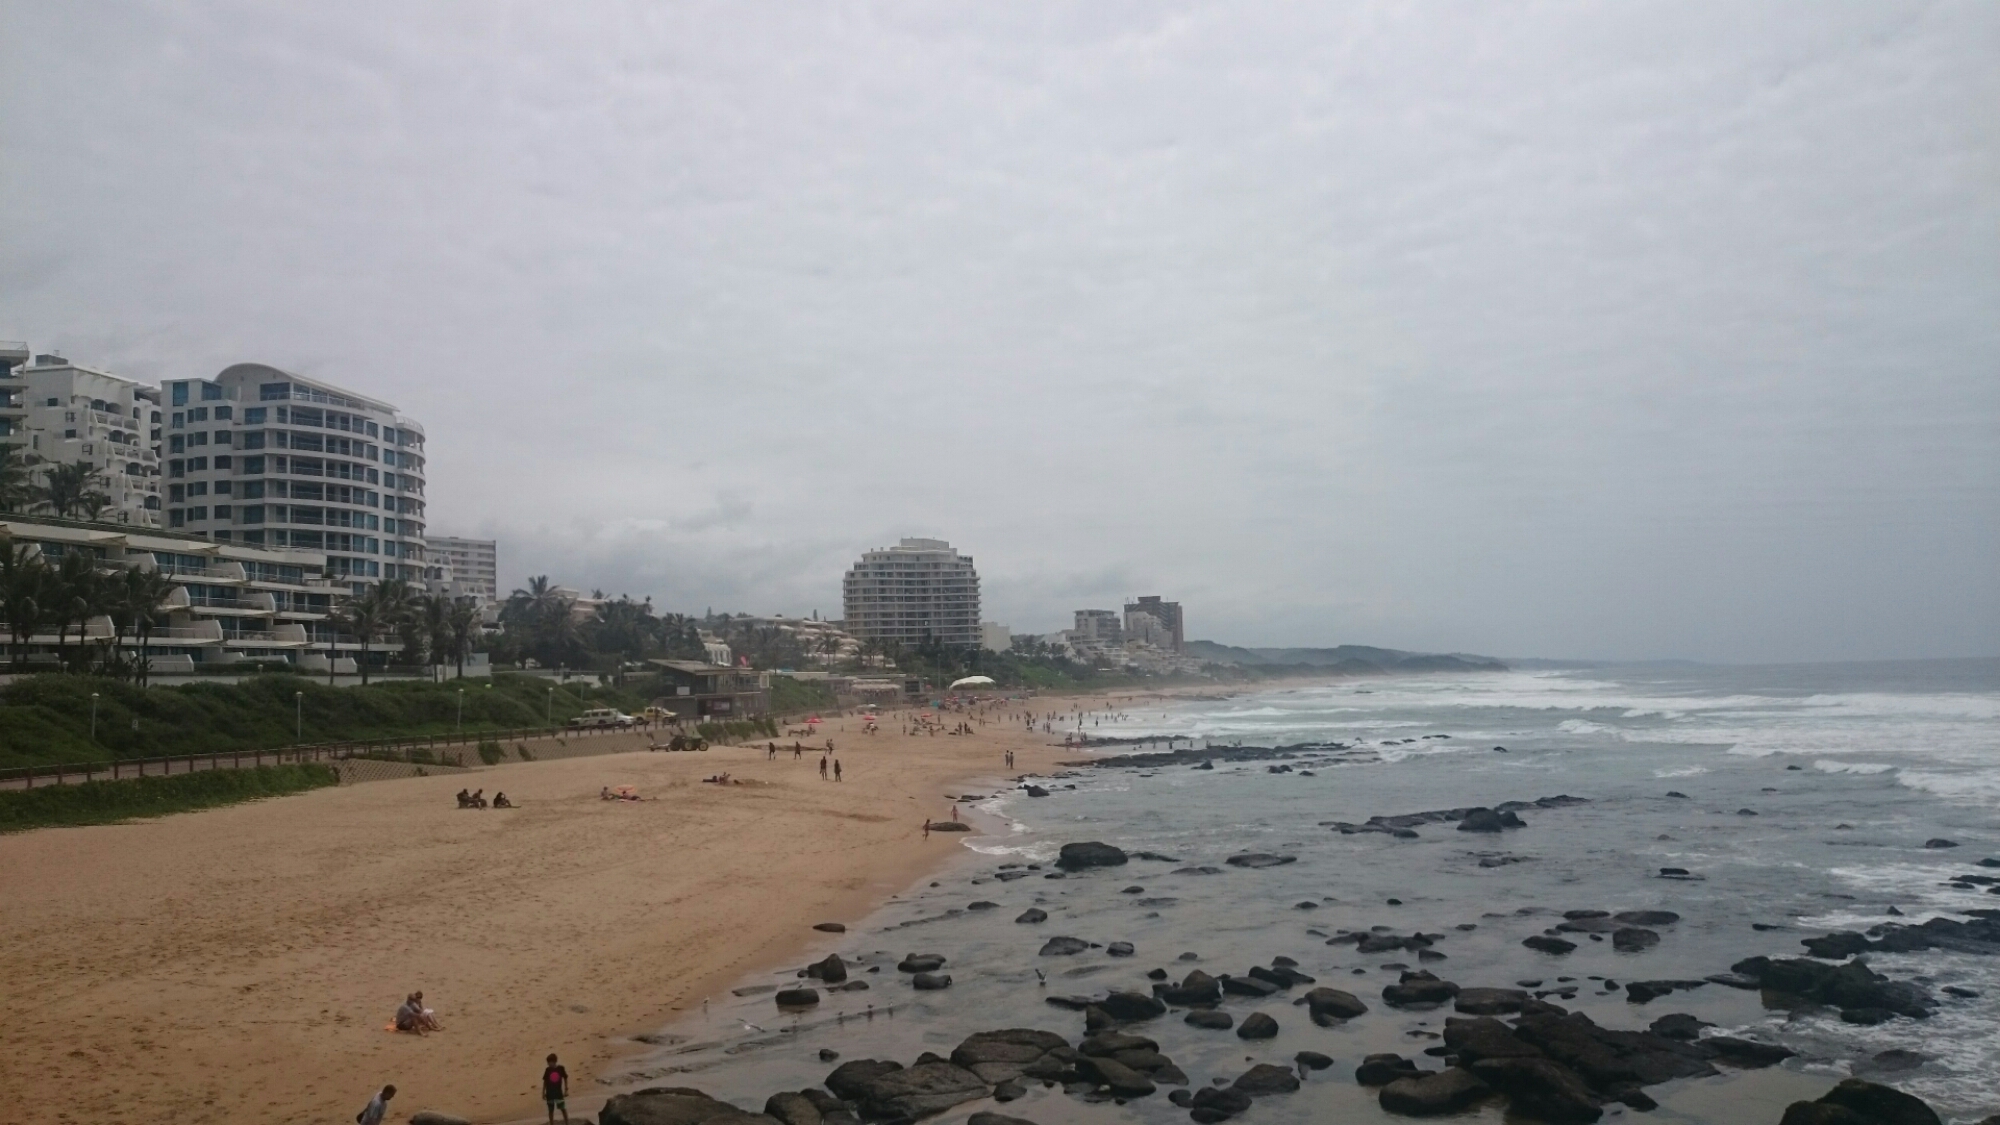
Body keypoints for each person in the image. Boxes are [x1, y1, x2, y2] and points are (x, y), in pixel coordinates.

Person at [542, 1053, 570, 1124]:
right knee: (551, 1110)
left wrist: (566, 1089)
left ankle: (567, 1123)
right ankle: (551, 1123)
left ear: (554, 1061)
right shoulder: (547, 1070)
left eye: (549, 1062)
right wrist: (543, 1092)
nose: (548, 1064)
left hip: (558, 1092)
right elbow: (545, 1082)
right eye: (548, 1063)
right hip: (549, 1093)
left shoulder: (560, 1068)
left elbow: (565, 1078)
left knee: (562, 1108)